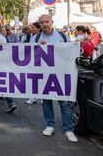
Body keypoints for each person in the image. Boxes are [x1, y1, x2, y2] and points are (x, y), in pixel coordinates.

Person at [31, 14, 78, 143]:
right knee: (46, 102)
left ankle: (69, 130)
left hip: (61, 74)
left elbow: (71, 51)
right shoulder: (35, 39)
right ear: (39, 24)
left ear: (52, 22)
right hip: (44, 75)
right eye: (41, 22)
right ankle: (49, 125)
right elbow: (29, 56)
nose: (45, 24)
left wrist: (80, 43)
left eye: (47, 21)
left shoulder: (62, 36)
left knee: (64, 103)